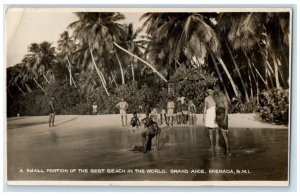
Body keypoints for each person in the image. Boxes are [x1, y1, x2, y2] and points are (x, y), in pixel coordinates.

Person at [213, 84, 230, 155]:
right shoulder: (216, 97)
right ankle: (224, 148)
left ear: (218, 89)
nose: (214, 91)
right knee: (218, 132)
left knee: (224, 134)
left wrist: (225, 118)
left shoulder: (223, 97)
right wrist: (215, 117)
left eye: (215, 89)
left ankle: (228, 150)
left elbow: (226, 108)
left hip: (223, 115)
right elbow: (216, 107)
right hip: (218, 115)